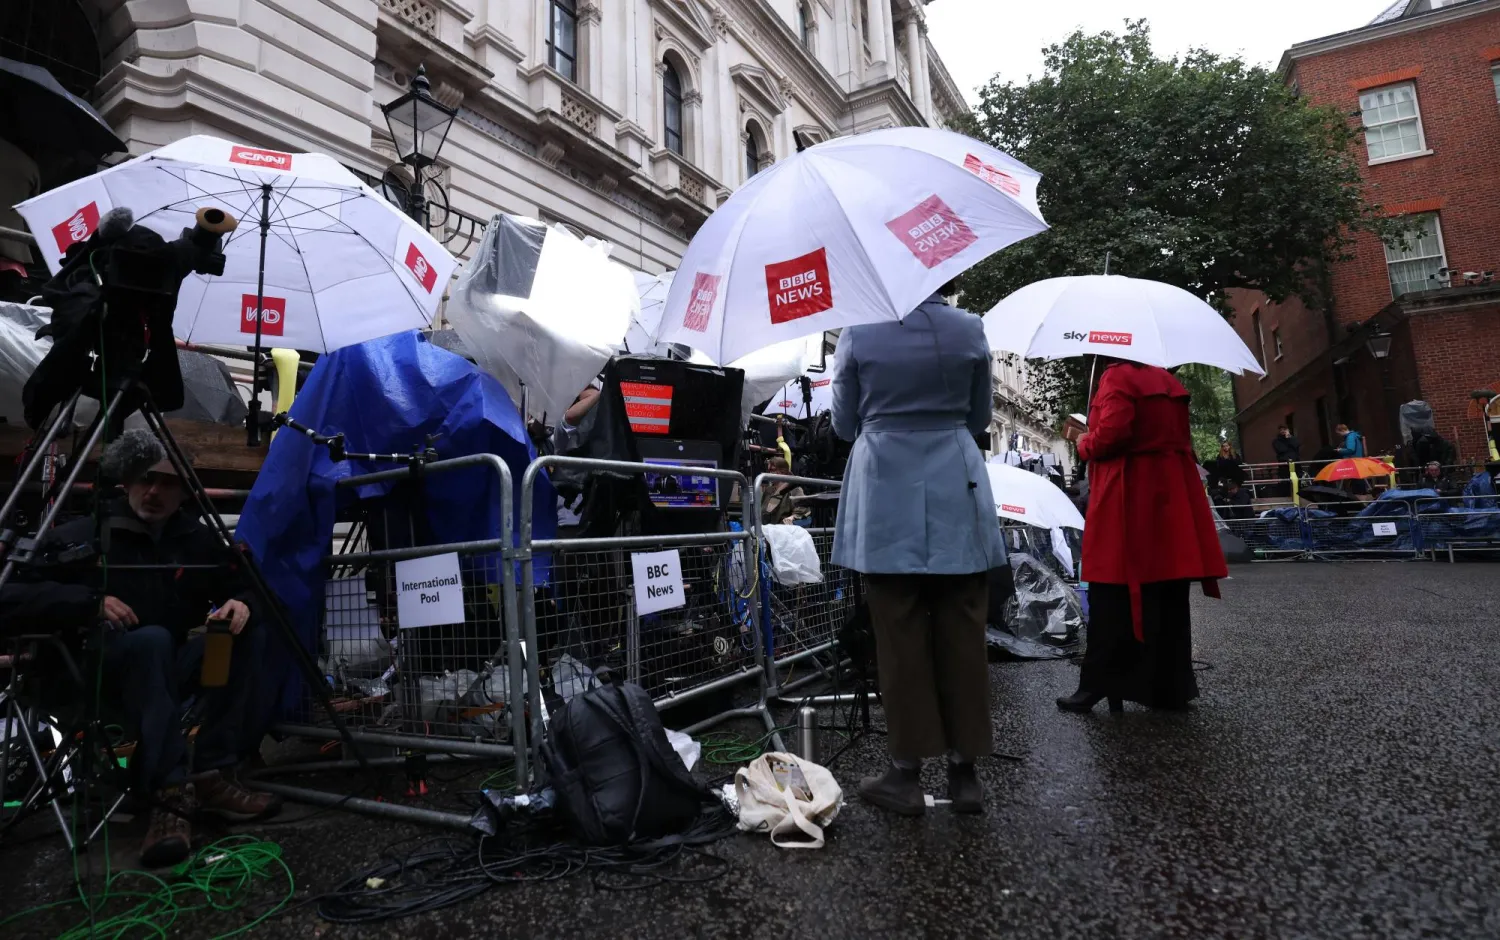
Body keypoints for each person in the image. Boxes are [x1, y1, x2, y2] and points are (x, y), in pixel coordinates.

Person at [1, 430, 279, 866]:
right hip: (92, 675)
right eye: (146, 478)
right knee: (151, 640)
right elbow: (9, 595)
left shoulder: (197, 540)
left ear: (186, 492)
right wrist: (89, 604)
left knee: (244, 634)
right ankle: (170, 795)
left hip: (166, 673)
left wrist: (240, 603)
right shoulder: (84, 532)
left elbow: (256, 588)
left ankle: (211, 773)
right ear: (127, 480)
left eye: (168, 482)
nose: (154, 491)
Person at [831, 286, 1005, 817]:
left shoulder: (858, 331)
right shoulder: (970, 327)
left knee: (898, 632)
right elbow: (979, 418)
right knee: (964, 628)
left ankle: (905, 774)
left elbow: (842, 422)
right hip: (957, 482)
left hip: (886, 487)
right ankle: (965, 773)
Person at [1059, 360, 1227, 714]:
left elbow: (1112, 436)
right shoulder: (1166, 379)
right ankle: (1170, 685)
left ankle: (1099, 683)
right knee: (1166, 591)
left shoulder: (1117, 376)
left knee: (1112, 591)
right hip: (1167, 492)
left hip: (1128, 490)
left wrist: (1082, 440)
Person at [760, 456, 809, 526]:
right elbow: (763, 511)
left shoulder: (794, 489)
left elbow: (802, 508)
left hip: (785, 531)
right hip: (768, 529)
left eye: (773, 470)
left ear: (783, 471)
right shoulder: (769, 490)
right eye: (769, 470)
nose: (770, 473)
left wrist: (792, 517)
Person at [1272, 425, 1301, 497]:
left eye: (1284, 429)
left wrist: (1289, 438)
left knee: (1297, 481)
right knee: (1286, 482)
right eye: (1281, 430)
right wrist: (1289, 445)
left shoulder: (1293, 439)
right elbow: (1282, 449)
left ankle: (1299, 495)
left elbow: (1296, 445)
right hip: (1284, 465)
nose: (1283, 431)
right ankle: (1287, 496)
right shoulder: (1276, 441)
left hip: (1295, 464)